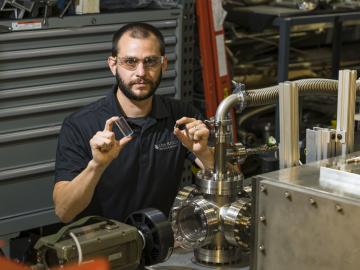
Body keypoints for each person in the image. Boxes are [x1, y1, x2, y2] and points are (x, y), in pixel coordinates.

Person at [53, 22, 214, 223]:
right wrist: (96, 166)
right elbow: (63, 211)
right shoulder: (80, 125)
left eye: (150, 62)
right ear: (113, 65)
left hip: (158, 244)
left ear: (163, 64)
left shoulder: (181, 117)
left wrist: (204, 153)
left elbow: (231, 179)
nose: (141, 72)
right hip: (100, 247)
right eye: (130, 62)